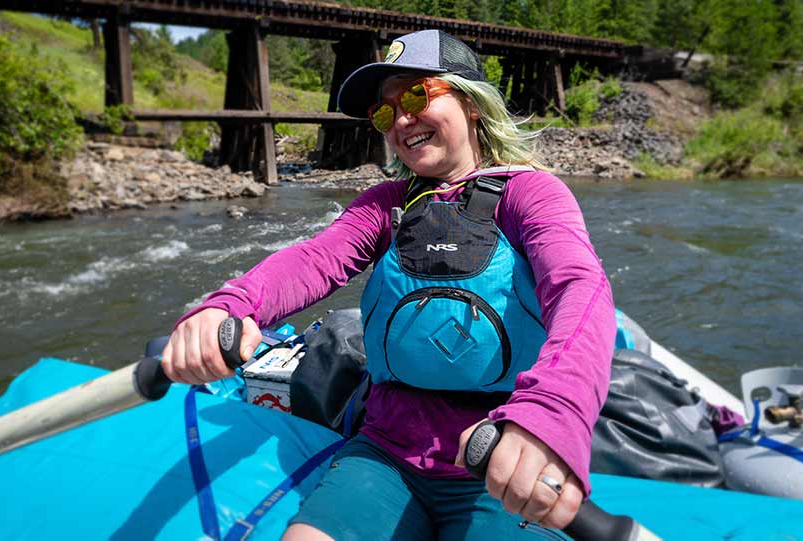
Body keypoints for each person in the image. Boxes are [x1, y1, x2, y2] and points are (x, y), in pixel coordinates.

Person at [163, 29, 615, 541]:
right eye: (385, 112)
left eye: (418, 96)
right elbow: (313, 260)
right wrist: (229, 304)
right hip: (386, 451)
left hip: (499, 454)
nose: (401, 120)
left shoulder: (531, 192)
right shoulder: (385, 203)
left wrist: (553, 412)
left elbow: (580, 287)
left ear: (470, 102)